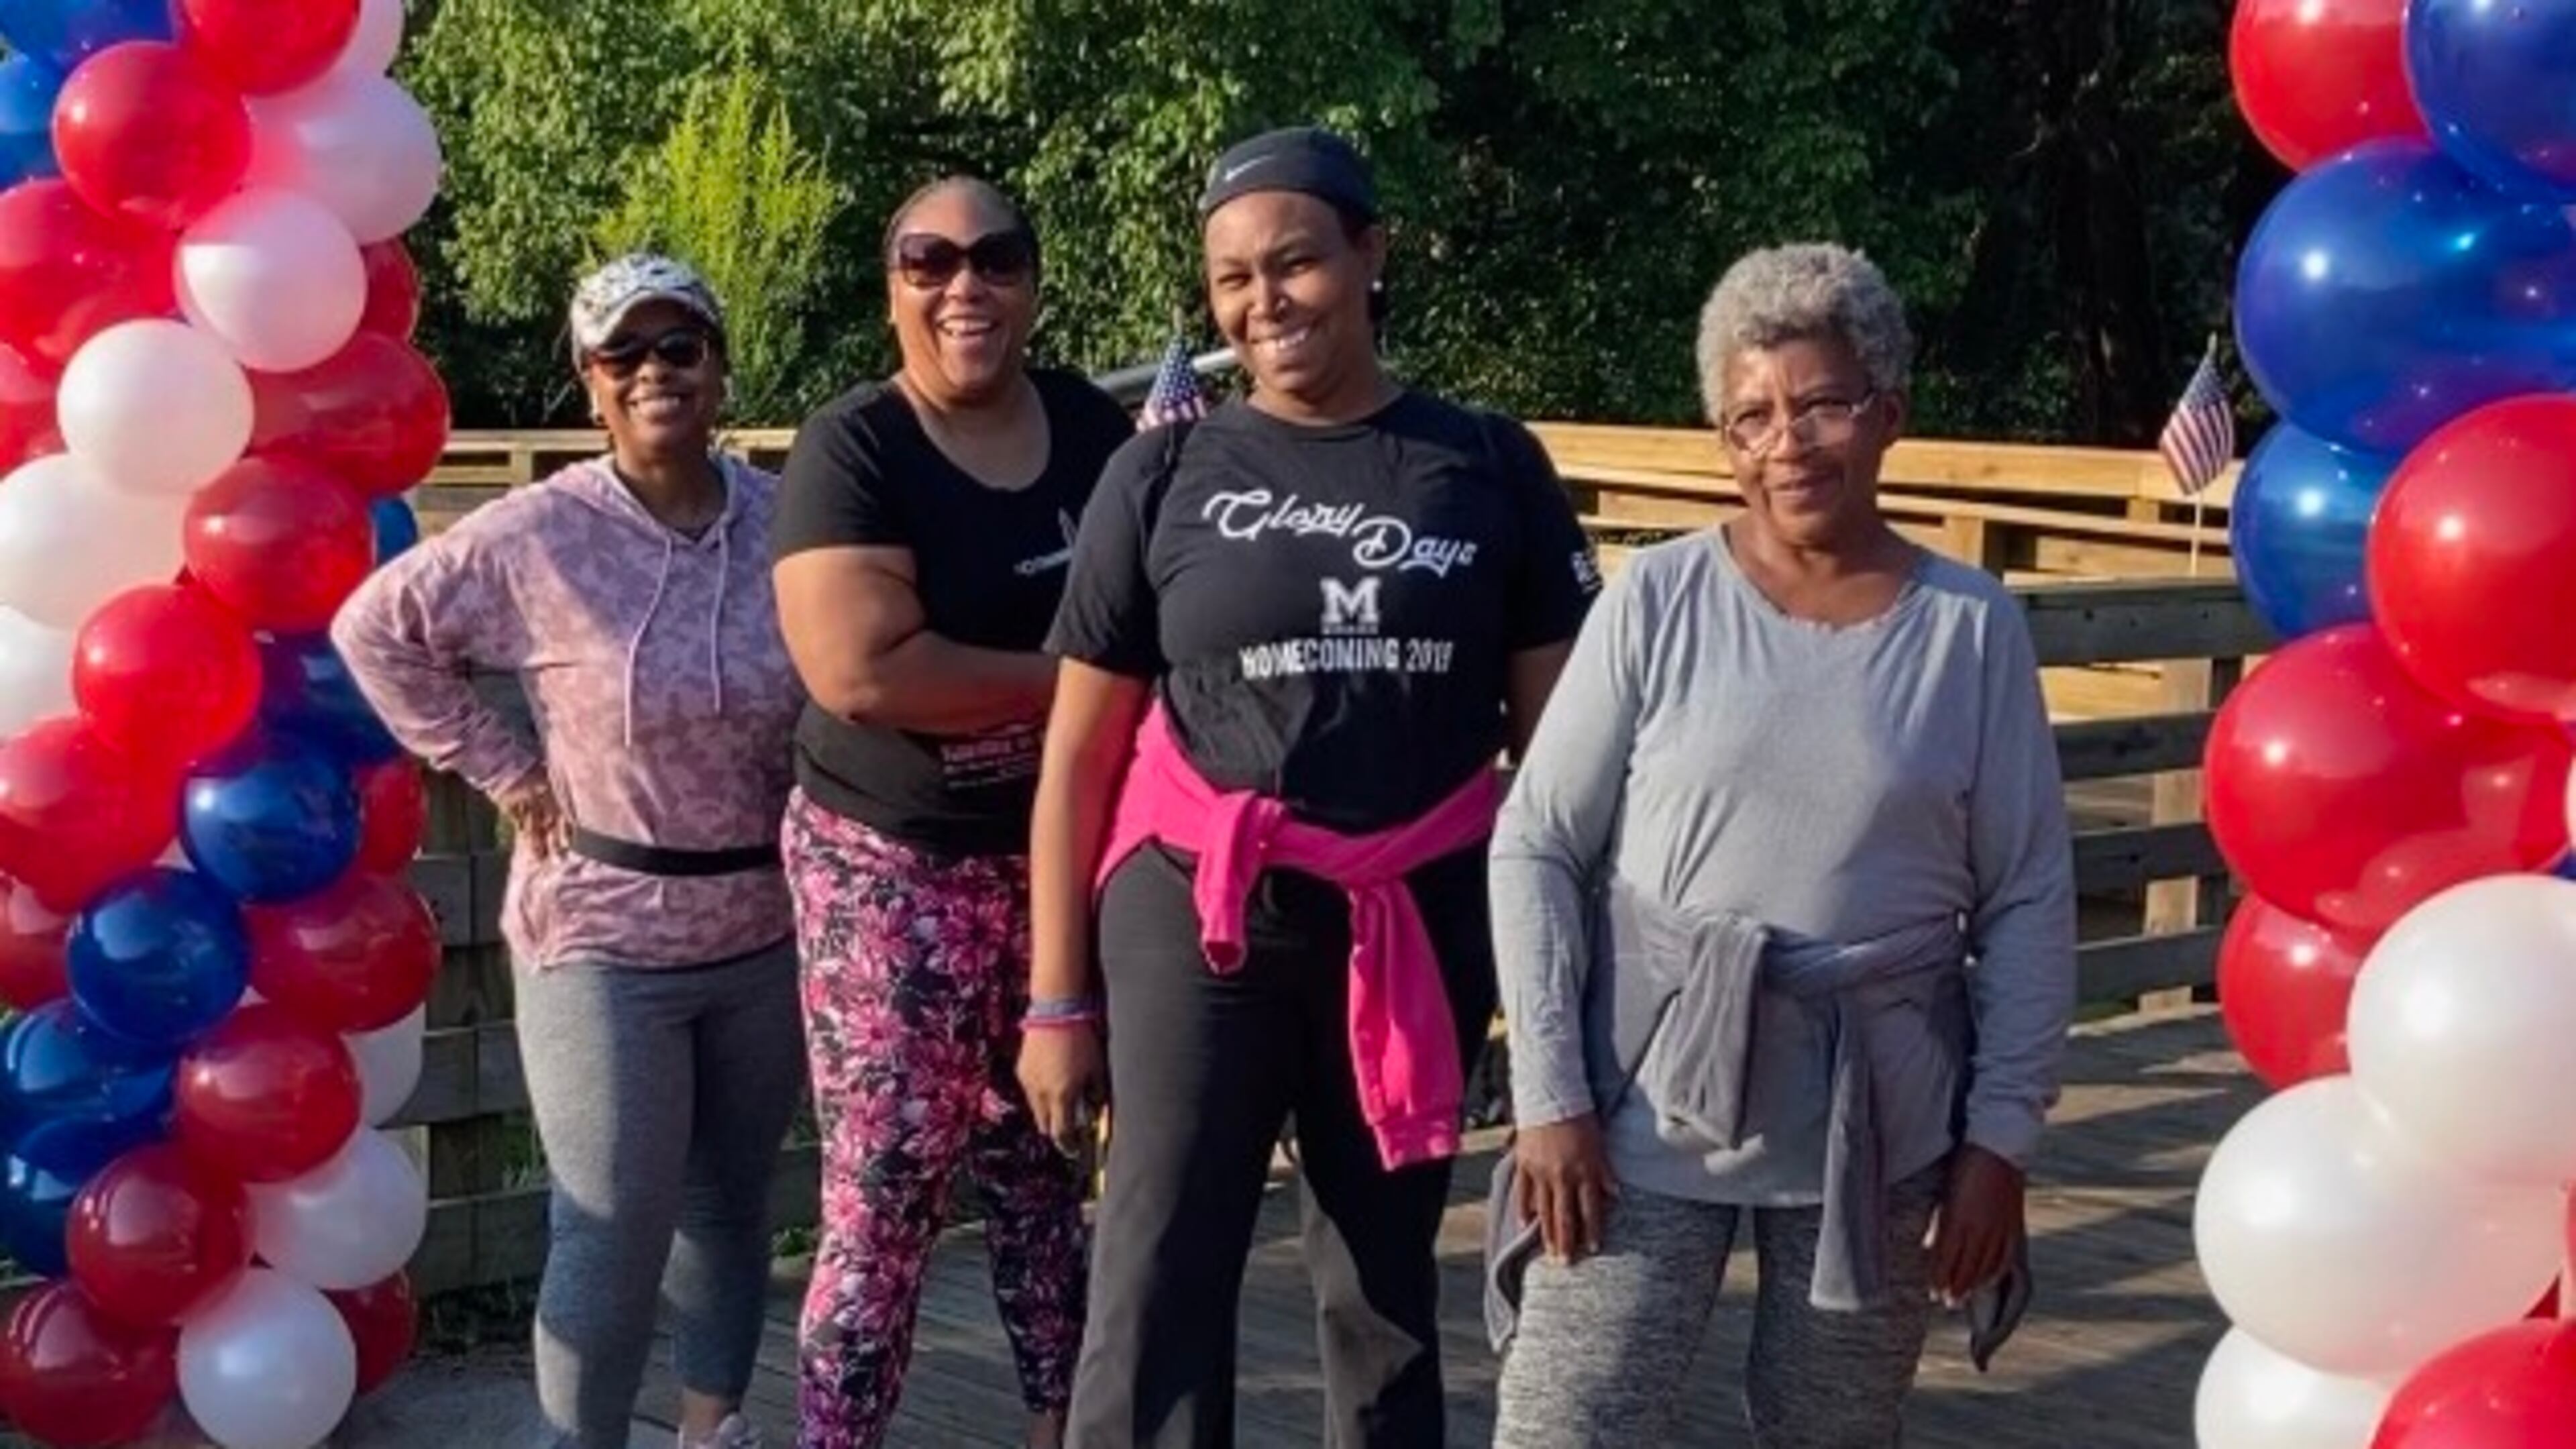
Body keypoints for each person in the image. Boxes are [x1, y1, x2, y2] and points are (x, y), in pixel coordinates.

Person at [1020, 125, 1603, 1448]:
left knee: (1384, 1285)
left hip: (1417, 913)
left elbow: (1563, 768)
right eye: (1232, 279)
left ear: (1370, 254)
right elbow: (1077, 758)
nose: (1264, 301)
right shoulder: (1161, 470)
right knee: (1159, 1269)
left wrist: (1571, 1006)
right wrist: (1059, 996)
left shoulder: (1486, 465)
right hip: (1197, 913)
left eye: (1295, 263)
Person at [1483, 242, 2077, 1447]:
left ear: (1888, 415)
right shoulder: (1656, 601)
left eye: (1822, 405)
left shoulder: (1972, 629)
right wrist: (1549, 1096)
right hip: (1643, 1089)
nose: (1789, 443)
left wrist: (2000, 1143)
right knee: (1569, 1416)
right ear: (1723, 444)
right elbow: (1537, 844)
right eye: (1752, 417)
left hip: (1881, 1110)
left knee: (1833, 1426)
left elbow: (2025, 897)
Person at [334, 254, 804, 1449]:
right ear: (590, 383)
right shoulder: (535, 534)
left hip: (764, 924)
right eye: (624, 354)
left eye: (679, 346)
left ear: (717, 362)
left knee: (729, 1206)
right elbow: (375, 630)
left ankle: (711, 1428)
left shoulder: (785, 519)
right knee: (609, 1221)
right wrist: (503, 767)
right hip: (601, 927)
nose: (656, 372)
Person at [769, 176, 1134, 1449]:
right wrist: (1083, 687)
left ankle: (1065, 1432)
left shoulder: (1097, 430)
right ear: (893, 289)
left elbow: (1172, 607)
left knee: (1048, 1176)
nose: (963, 286)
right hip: (892, 871)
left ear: (1033, 282)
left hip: (1054, 859)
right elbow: (867, 672)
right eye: (928, 261)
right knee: (885, 1193)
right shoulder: (855, 446)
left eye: (995, 259)